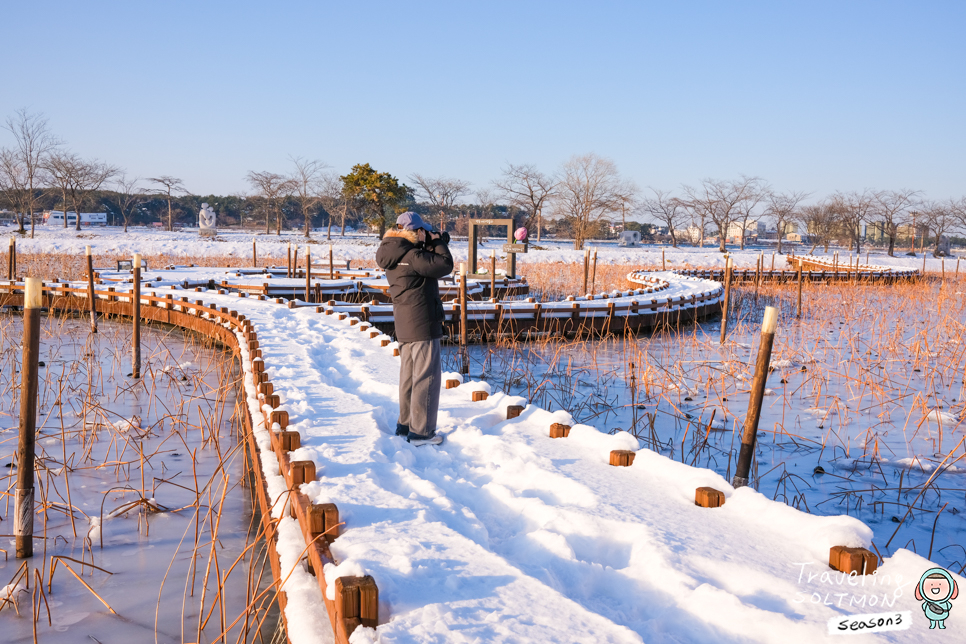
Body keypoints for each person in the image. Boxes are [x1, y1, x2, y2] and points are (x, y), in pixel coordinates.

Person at [376, 212, 454, 445]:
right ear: (416, 231)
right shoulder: (412, 255)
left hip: (405, 324)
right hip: (422, 323)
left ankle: (406, 424)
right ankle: (422, 432)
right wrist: (438, 242)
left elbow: (424, 264)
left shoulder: (393, 253)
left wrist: (431, 242)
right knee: (426, 378)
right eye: (423, 231)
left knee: (409, 377)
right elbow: (445, 265)